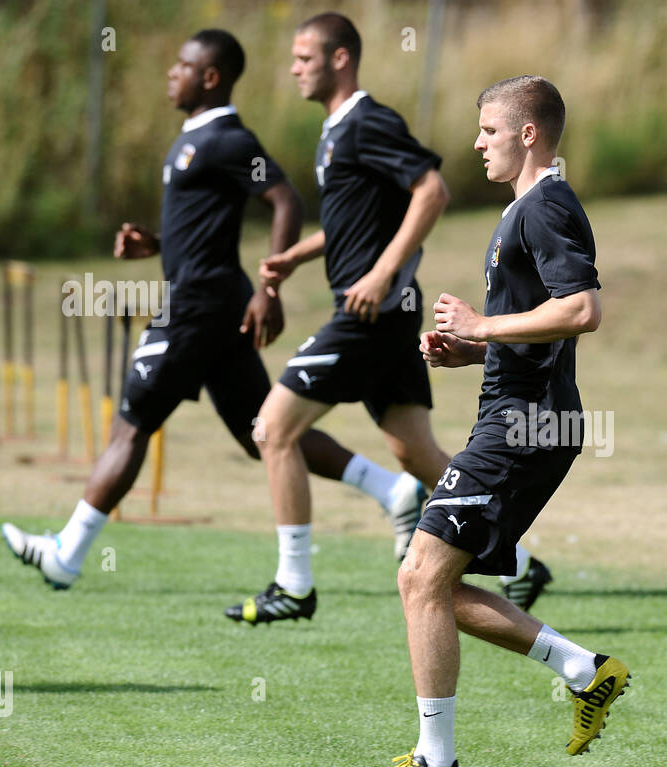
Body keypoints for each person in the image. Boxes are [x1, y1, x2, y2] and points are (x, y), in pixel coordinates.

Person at [2, 29, 413, 598]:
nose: (172, 73)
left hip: (197, 308)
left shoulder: (227, 137)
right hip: (211, 308)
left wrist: (269, 288)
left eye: (183, 65)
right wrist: (158, 242)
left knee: (132, 421)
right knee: (261, 433)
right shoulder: (195, 138)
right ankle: (393, 491)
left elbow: (285, 198)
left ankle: (66, 555)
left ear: (211, 77)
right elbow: (203, 225)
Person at [226, 13, 552, 626]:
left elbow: (431, 190)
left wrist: (381, 273)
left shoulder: (368, 120)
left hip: (371, 312)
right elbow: (360, 219)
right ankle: (523, 562)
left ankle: (294, 584)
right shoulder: (334, 132)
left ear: (341, 59)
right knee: (413, 450)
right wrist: (300, 253)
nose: (295, 68)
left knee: (273, 430)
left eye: (305, 57)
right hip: (382, 312)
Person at [350, 76, 628, 767]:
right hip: (521, 418)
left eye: (489, 130)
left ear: (527, 133)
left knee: (419, 575)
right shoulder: (525, 212)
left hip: (525, 425)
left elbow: (582, 310)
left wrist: (480, 324)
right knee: (433, 584)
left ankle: (435, 763)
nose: (477, 143)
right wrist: (470, 349)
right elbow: (541, 328)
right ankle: (582, 669)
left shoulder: (547, 204)